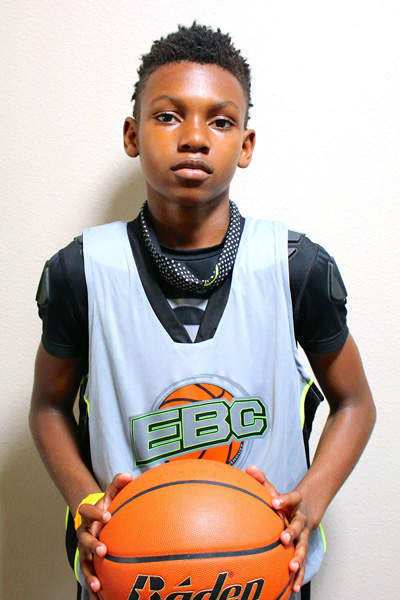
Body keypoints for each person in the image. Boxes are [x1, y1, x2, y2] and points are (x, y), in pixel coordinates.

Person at [29, 22, 375, 600]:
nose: (194, 137)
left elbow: (356, 403)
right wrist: (87, 501)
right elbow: (47, 407)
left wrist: (312, 497)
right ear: (132, 134)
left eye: (220, 121)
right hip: (128, 575)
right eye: (168, 116)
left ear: (246, 145)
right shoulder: (82, 272)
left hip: (265, 573)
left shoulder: (295, 267)